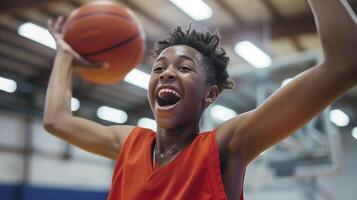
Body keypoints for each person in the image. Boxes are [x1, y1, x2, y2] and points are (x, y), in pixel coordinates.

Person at [43, 0, 357, 199]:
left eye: (184, 68)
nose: (166, 74)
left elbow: (346, 63)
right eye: (159, 68)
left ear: (210, 94)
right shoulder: (131, 143)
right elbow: (56, 120)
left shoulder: (226, 145)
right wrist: (64, 57)